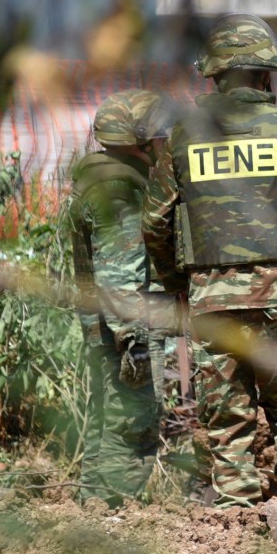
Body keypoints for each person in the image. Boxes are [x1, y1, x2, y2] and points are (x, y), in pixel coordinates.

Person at [141, 13, 277, 535]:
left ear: (212, 76)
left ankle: (236, 522)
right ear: (266, 75)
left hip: (211, 300)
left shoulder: (184, 136)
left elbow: (155, 223)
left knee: (226, 414)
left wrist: (178, 284)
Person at [67, 89, 177, 506]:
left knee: (105, 422)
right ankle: (111, 512)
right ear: (142, 139)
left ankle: (92, 506)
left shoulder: (97, 181)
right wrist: (133, 341)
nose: (167, 143)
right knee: (133, 423)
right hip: (126, 331)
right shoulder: (121, 191)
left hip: (103, 328)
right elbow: (119, 273)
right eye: (161, 136)